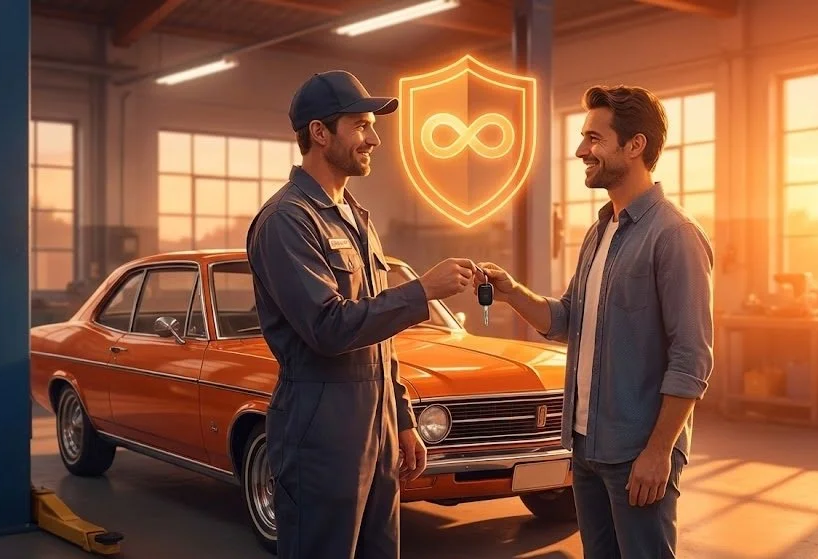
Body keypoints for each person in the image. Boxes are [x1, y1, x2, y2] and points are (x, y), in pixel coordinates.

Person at [246, 70, 477, 559]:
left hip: (377, 426)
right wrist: (422, 292)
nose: (374, 138)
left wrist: (403, 419)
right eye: (361, 125)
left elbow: (379, 338)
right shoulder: (287, 221)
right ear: (320, 133)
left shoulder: (356, 218)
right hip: (319, 426)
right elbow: (328, 328)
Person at [475, 84, 714, 558]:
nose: (581, 149)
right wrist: (511, 292)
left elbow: (692, 359)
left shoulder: (675, 235)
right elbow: (567, 319)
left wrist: (658, 451)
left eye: (593, 138)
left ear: (635, 145)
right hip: (585, 444)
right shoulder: (600, 231)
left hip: (637, 451)